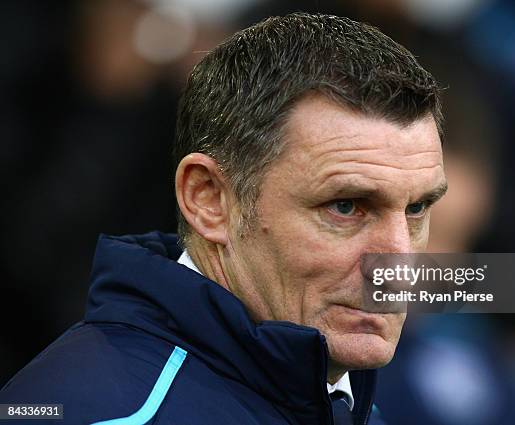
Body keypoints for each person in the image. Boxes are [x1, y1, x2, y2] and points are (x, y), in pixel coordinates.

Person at [0, 13, 446, 425]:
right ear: (208, 200)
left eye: (416, 209)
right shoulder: (86, 412)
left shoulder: (349, 401)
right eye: (345, 206)